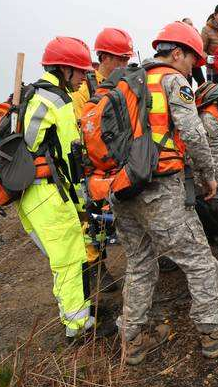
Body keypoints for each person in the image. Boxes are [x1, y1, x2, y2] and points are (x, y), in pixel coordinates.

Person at [112, 21, 218, 365]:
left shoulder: (127, 82)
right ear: (176, 53)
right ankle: (212, 333)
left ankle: (133, 339)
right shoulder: (172, 80)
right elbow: (194, 132)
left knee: (140, 263)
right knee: (200, 261)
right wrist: (208, 176)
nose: (193, 70)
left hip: (123, 189)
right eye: (192, 61)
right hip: (159, 187)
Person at [17, 37, 100, 339]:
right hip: (48, 193)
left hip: (27, 193)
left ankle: (73, 318)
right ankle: (79, 329)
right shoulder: (60, 102)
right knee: (70, 259)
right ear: (64, 69)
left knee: (60, 260)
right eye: (79, 72)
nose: (83, 78)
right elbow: (71, 161)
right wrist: (83, 206)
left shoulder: (32, 94)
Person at [71, 27, 134, 293]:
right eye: (121, 59)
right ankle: (96, 268)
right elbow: (77, 130)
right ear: (105, 57)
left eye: (127, 60)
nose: (125, 64)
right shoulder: (85, 89)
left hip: (118, 161)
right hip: (92, 166)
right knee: (93, 221)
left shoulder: (123, 85)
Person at [182, 18, 205, 86]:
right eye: (188, 24)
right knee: (189, 82)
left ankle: (200, 96)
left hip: (195, 63)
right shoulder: (181, 35)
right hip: (186, 62)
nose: (191, 26)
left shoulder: (195, 33)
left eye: (191, 24)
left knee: (201, 81)